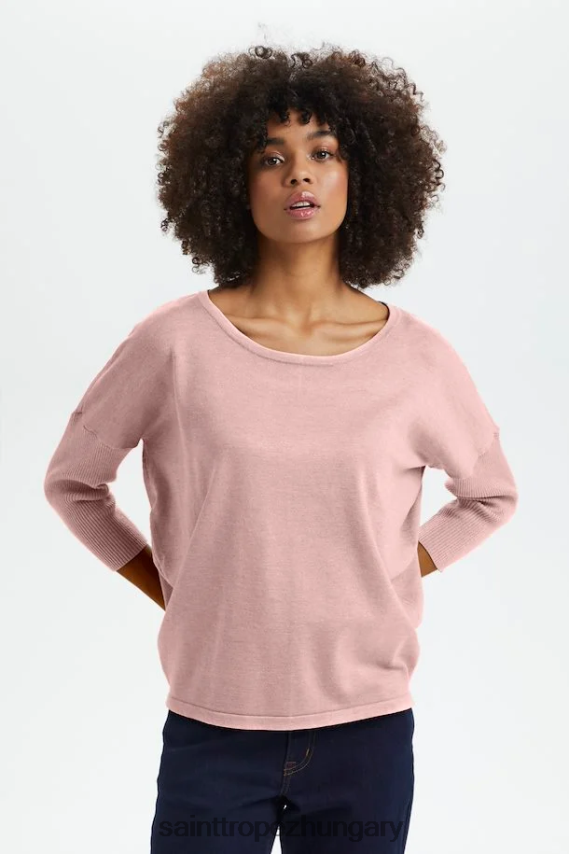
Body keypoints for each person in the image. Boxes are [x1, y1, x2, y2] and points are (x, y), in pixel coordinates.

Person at [43, 44, 519, 853]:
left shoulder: (418, 359)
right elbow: (74, 483)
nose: (299, 173)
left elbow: (491, 495)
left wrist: (391, 569)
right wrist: (175, 586)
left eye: (323, 152)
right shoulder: (172, 346)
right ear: (231, 183)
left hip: (365, 730)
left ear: (361, 176)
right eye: (271, 157)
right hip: (213, 726)